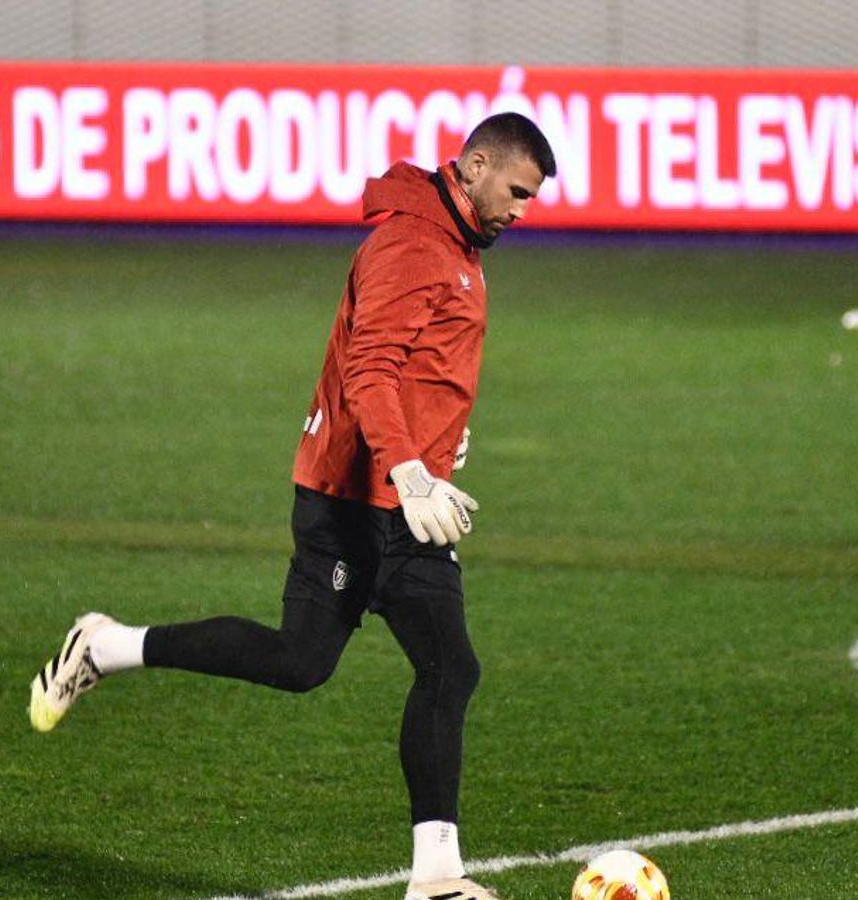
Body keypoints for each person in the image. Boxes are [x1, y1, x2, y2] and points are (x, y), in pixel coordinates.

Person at [27, 112, 556, 900]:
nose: (522, 210)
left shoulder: (459, 243)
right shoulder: (415, 244)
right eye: (516, 191)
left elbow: (422, 365)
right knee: (301, 663)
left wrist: (440, 440)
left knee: (450, 668)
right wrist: (412, 467)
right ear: (475, 165)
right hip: (353, 499)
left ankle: (436, 878)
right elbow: (368, 372)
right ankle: (106, 646)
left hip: (406, 501)